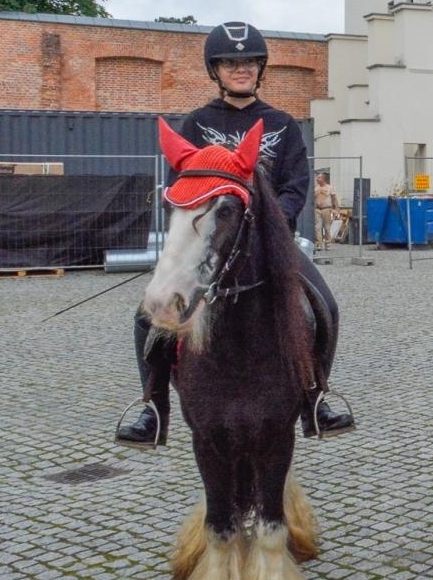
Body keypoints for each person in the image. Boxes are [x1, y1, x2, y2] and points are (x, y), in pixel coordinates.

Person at [116, 22, 355, 446]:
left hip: (270, 239)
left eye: (248, 62)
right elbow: (185, 186)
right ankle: (153, 407)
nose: (240, 69)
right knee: (147, 315)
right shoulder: (196, 123)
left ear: (260, 69)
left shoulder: (281, 124)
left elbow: (295, 186)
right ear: (216, 70)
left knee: (325, 305)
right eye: (230, 62)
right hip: (208, 241)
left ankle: (316, 398)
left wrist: (268, 227)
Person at [313, 171, 341, 252]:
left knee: (327, 227)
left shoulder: (330, 188)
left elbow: (334, 199)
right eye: (317, 177)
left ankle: (328, 244)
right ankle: (319, 244)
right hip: (317, 209)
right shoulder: (315, 188)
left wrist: (337, 209)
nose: (317, 179)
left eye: (319, 177)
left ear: (323, 179)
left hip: (326, 209)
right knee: (317, 227)